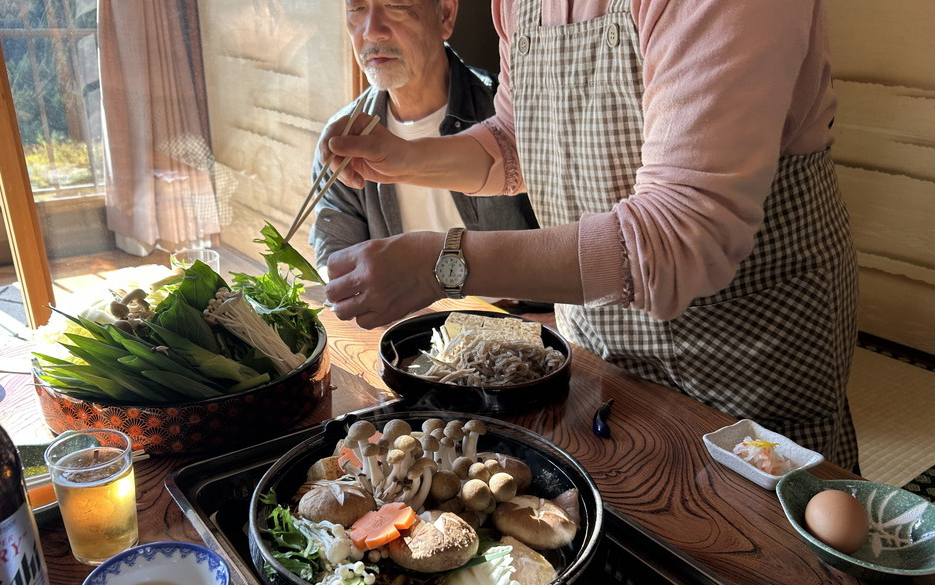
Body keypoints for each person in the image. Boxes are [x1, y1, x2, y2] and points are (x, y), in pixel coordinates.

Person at [318, 0, 859, 471]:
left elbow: (679, 233)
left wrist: (443, 264)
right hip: (597, 335)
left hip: (742, 344)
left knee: (756, 543)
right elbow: (516, 141)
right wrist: (402, 158)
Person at [309, 0, 537, 278]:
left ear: (445, 14)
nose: (371, 31)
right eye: (356, 9)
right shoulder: (344, 143)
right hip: (397, 309)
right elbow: (335, 264)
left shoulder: (512, 120)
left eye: (395, 5)